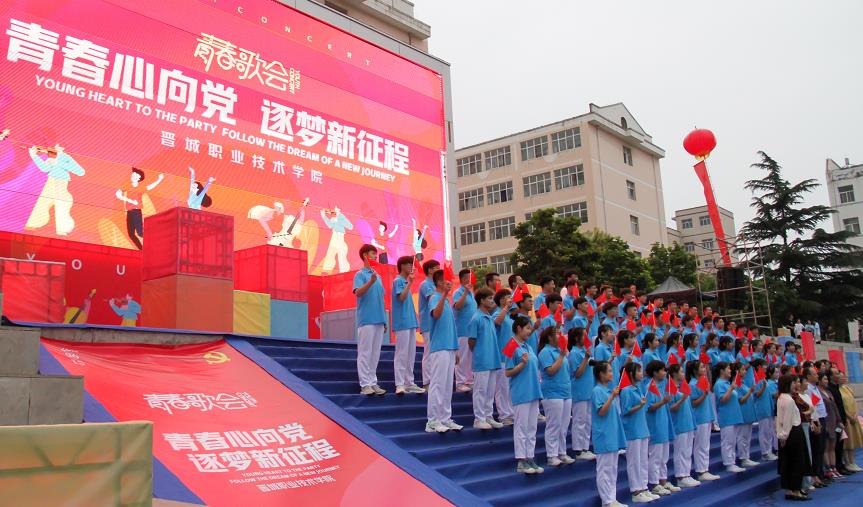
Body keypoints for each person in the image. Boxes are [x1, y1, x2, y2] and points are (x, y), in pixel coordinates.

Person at [426, 270, 463, 433]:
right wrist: (444, 295)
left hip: (449, 347)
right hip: (439, 347)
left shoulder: (446, 301)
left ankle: (445, 418)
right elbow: (436, 314)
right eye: (446, 281)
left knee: (448, 385)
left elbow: (451, 328)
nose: (450, 283)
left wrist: (455, 350)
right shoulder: (434, 298)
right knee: (438, 384)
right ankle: (432, 421)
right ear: (439, 282)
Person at [506, 315, 544, 474]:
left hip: (533, 391)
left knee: (531, 428)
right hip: (521, 392)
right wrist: (521, 364)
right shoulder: (510, 345)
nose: (530, 331)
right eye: (527, 328)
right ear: (518, 328)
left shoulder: (528, 347)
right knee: (521, 427)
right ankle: (521, 460)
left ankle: (530, 457)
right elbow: (508, 372)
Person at [25, 144, 85, 235]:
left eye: (57, 147)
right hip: (50, 182)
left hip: (61, 182)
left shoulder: (66, 158)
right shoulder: (51, 159)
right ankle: (32, 225)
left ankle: (63, 230)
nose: (54, 148)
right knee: (41, 204)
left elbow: (80, 172)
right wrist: (34, 155)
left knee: (61, 207)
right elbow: (45, 168)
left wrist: (59, 161)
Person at [592, 360, 628, 507]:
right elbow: (601, 411)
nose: (612, 373)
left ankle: (612, 498)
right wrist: (612, 397)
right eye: (609, 371)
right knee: (604, 469)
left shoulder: (608, 391)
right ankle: (606, 501)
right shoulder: (597, 391)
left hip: (612, 434)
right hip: (603, 436)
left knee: (612, 469)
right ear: (601, 374)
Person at [353, 245, 387, 396]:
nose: (375, 256)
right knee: (365, 352)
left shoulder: (378, 276)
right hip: (366, 319)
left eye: (375, 254)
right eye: (373, 253)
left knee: (375, 353)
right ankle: (365, 384)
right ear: (365, 255)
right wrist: (370, 281)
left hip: (379, 319)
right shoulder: (360, 275)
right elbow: (358, 293)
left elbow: (380, 298)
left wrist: (384, 320)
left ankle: (373, 382)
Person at [537, 326, 573, 466]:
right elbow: (551, 371)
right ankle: (551, 455)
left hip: (565, 392)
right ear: (550, 338)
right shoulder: (545, 352)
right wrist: (562, 356)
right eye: (557, 334)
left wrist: (563, 354)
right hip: (552, 393)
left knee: (564, 426)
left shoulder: (560, 350)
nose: (560, 336)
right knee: (554, 425)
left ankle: (562, 452)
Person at [619, 362, 655, 504]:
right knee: (634, 462)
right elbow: (626, 410)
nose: (641, 373)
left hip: (642, 429)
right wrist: (639, 405)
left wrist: (641, 405)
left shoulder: (638, 388)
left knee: (643, 461)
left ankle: (644, 487)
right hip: (632, 431)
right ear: (631, 374)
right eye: (639, 371)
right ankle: (636, 491)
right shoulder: (626, 390)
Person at [468, 287, 503, 430]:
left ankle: (488, 416)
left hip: (492, 359)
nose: (492, 301)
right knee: (480, 390)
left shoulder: (489, 317)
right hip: (482, 361)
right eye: (489, 298)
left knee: (490, 391)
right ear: (481, 301)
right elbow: (471, 341)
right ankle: (479, 419)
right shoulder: (476, 318)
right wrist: (479, 354)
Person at [645, 360, 679, 496]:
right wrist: (663, 401)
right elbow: (649, 407)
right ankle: (654, 484)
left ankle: (663, 481)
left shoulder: (662, 385)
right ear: (655, 372)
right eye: (663, 370)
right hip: (655, 426)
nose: (665, 372)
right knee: (656, 456)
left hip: (664, 424)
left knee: (664, 456)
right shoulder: (650, 387)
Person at [391, 256, 425, 395]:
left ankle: (409, 383)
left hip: (410, 322)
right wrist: (410, 283)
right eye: (409, 264)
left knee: (410, 354)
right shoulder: (398, 281)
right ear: (402, 266)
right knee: (402, 353)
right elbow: (401, 297)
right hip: (402, 323)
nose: (412, 267)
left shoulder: (405, 281)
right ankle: (399, 384)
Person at [776, 374, 812, 501]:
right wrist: (784, 436)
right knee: (797, 462)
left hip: (786, 433)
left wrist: (781, 435)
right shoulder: (789, 400)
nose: (795, 385)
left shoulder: (781, 398)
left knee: (787, 462)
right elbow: (787, 420)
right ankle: (796, 490)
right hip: (793, 432)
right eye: (792, 383)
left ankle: (789, 489)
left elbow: (779, 420)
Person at [686, 360, 720, 482]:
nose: (704, 369)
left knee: (705, 445)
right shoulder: (693, 384)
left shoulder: (703, 381)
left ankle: (705, 469)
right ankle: (701, 471)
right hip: (699, 418)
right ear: (695, 371)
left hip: (706, 416)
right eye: (701, 367)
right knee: (700, 445)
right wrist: (704, 394)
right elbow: (693, 403)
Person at [668, 363, 700, 488]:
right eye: (681, 372)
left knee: (687, 451)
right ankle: (680, 476)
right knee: (680, 451)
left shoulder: (682, 387)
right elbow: (671, 408)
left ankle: (686, 474)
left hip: (688, 423)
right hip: (679, 425)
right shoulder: (671, 388)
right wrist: (682, 399)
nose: (683, 374)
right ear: (674, 373)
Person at [115, 167, 164, 249]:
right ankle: (142, 249)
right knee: (131, 234)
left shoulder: (140, 187)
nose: (133, 176)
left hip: (136, 211)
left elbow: (150, 187)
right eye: (132, 174)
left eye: (135, 175)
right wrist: (129, 200)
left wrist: (159, 180)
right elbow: (118, 194)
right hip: (129, 212)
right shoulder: (127, 185)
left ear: (139, 178)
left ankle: (155, 242)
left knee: (140, 233)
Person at [568, 326, 595, 460]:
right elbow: (577, 373)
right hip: (579, 391)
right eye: (583, 335)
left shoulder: (584, 351)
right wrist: (585, 359)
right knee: (579, 421)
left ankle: (585, 447)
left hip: (588, 390)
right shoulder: (574, 353)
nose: (586, 338)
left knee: (587, 421)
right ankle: (578, 450)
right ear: (576, 338)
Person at [713, 362, 746, 473]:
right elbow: (722, 400)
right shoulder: (719, 384)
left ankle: (732, 461)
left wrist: (731, 387)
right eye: (728, 368)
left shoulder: (727, 383)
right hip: (726, 417)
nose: (730, 370)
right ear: (722, 371)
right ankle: (728, 463)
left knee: (732, 441)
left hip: (734, 416)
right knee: (727, 441)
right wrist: (731, 388)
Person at [492, 289, 515, 425]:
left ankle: (511, 413)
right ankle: (504, 415)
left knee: (508, 387)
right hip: (501, 356)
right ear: (501, 300)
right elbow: (496, 322)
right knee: (501, 388)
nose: (511, 300)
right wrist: (505, 308)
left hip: (509, 356)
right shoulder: (498, 313)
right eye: (508, 298)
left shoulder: (509, 317)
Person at [453, 269, 477, 393]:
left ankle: (469, 381)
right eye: (468, 277)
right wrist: (465, 292)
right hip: (462, 330)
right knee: (462, 357)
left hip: (471, 331)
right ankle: (460, 382)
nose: (470, 279)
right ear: (463, 279)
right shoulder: (458, 292)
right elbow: (457, 306)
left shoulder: (471, 294)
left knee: (470, 358)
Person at [418, 260, 441, 389]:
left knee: (435, 352)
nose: (439, 270)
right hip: (428, 323)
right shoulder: (425, 284)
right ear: (430, 270)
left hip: (436, 324)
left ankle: (434, 379)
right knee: (428, 352)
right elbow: (433, 298)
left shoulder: (435, 284)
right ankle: (427, 381)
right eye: (437, 268)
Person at [733, 362, 760, 468]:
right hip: (743, 413)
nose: (745, 371)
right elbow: (741, 400)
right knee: (742, 437)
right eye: (743, 369)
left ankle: (746, 456)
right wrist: (750, 391)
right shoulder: (737, 385)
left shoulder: (743, 383)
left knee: (747, 437)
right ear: (737, 371)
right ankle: (743, 458)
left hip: (748, 413)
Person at [818, 371, 842, 479]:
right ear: (819, 381)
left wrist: (839, 421)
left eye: (827, 379)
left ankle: (834, 467)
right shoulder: (818, 393)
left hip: (833, 421)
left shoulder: (828, 392)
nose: (827, 381)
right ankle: (828, 469)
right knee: (826, 447)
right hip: (826, 422)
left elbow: (835, 407)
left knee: (833, 446)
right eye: (824, 379)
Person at [805, 366, 827, 482]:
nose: (817, 375)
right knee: (817, 448)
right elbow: (812, 407)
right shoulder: (808, 389)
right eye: (814, 374)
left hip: (822, 418)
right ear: (808, 376)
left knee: (821, 447)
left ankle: (821, 473)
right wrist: (815, 422)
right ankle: (816, 475)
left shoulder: (815, 387)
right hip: (816, 420)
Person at [837, 371, 863, 471]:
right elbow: (841, 406)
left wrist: (855, 414)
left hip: (854, 417)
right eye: (841, 377)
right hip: (847, 418)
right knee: (847, 441)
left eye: (844, 377)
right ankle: (847, 462)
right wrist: (849, 416)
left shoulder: (847, 388)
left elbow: (854, 402)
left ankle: (853, 462)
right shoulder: (838, 391)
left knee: (854, 441)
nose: (844, 378)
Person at [754, 362, 779, 461]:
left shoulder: (765, 380)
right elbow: (757, 394)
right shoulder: (758, 380)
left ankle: (769, 451)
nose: (766, 370)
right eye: (764, 369)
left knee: (769, 431)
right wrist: (763, 386)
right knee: (764, 432)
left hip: (769, 408)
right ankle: (765, 453)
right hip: (762, 409)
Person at [320, 207, 354, 274]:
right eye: (332, 213)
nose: (331, 214)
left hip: (340, 237)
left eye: (334, 213)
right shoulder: (334, 219)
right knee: (330, 254)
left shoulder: (341, 218)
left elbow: (350, 226)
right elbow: (330, 225)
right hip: (335, 236)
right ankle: (326, 271)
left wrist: (339, 215)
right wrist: (324, 216)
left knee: (341, 256)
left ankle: (343, 272)